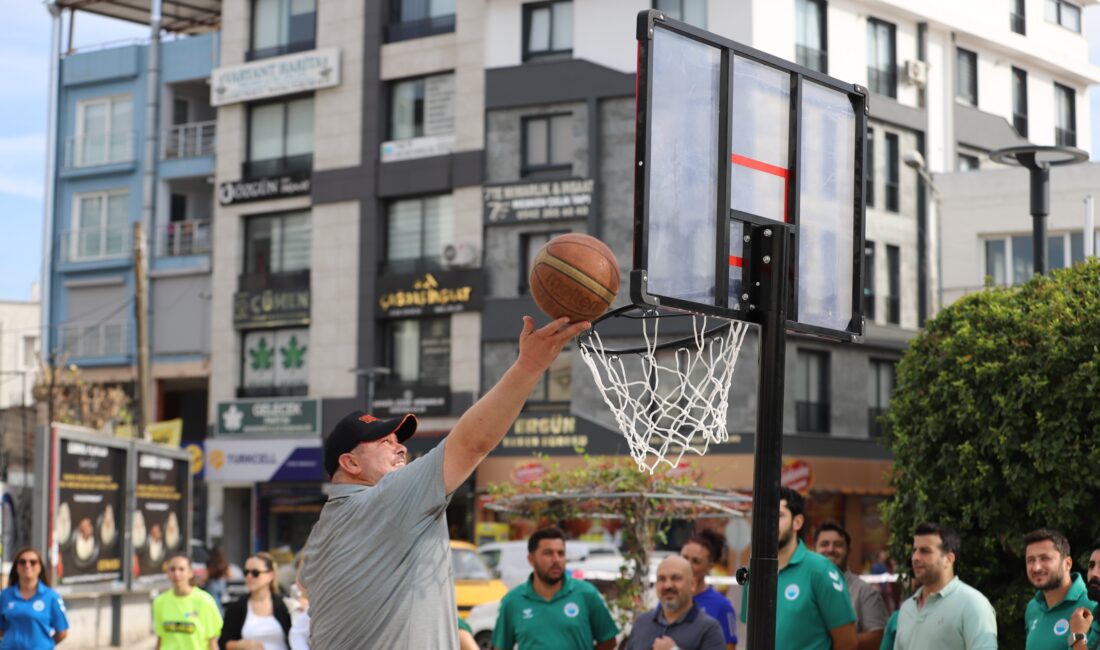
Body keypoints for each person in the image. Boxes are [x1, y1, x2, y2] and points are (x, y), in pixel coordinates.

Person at [301, 316, 589, 649]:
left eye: (399, 439)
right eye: (384, 442)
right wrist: (530, 364)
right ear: (349, 463)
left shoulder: (321, 534)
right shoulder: (385, 500)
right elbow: (472, 443)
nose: (401, 447)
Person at [740, 487, 857, 650]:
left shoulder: (820, 570)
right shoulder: (754, 573)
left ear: (797, 522)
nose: (769, 523)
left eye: (778, 516)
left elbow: (847, 642)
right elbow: (750, 635)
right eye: (763, 516)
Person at [492, 526, 619, 650]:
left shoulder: (586, 594)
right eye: (548, 553)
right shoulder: (513, 601)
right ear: (531, 559)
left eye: (561, 553)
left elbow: (608, 641)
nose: (556, 559)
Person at [894, 522, 996, 649]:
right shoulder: (907, 609)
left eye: (925, 551)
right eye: (914, 550)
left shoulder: (973, 604)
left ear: (948, 559)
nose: (915, 557)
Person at [814, 521, 889, 650]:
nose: (831, 549)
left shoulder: (866, 592)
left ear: (848, 551)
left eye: (838, 545)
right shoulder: (805, 587)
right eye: (824, 544)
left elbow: (877, 637)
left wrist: (827, 644)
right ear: (814, 549)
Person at [626, 555, 725, 650]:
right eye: (661, 579)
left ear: (692, 585)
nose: (667, 585)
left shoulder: (709, 629)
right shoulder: (642, 623)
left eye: (676, 578)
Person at [1022, 528, 1097, 649]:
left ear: (1067, 563)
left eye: (1045, 558)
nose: (1036, 567)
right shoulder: (1033, 608)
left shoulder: (1093, 606)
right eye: (1030, 560)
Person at [219, 552, 291, 650]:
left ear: (270, 575)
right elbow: (223, 642)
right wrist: (240, 645)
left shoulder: (286, 605)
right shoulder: (236, 607)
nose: (249, 576)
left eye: (255, 573)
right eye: (246, 572)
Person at [0, 547, 69, 649]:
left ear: (40, 567)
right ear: (16, 567)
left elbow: (62, 632)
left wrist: (44, 645)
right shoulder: (5, 595)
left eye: (33, 562)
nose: (27, 565)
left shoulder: (51, 597)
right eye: (22, 562)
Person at [680, 529, 738, 649]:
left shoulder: (722, 606)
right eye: (684, 558)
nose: (687, 565)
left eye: (696, 561)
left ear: (709, 566)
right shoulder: (669, 599)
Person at [153, 552, 223, 650]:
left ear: (190, 573)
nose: (176, 573)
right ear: (167, 573)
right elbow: (160, 640)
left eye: (181, 569)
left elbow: (212, 643)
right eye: (172, 569)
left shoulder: (205, 601)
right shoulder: (159, 602)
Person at [204, 547, 230, 616]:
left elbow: (207, 576)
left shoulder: (210, 562)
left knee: (213, 603)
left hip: (211, 585)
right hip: (222, 584)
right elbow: (229, 575)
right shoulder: (224, 562)